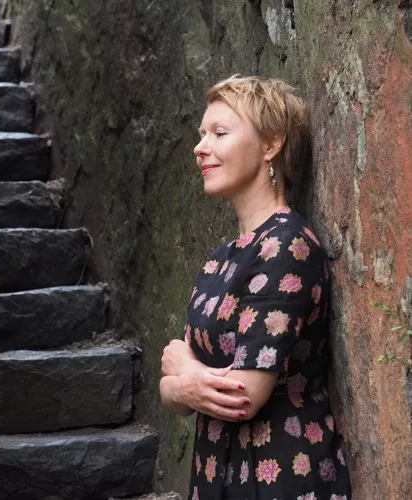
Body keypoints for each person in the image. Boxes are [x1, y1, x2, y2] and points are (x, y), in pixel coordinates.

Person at [159, 76, 352, 500]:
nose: (200, 147)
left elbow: (243, 395)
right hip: (220, 474)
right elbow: (174, 394)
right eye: (202, 134)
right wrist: (177, 385)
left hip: (280, 475)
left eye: (219, 133)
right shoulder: (221, 257)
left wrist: (182, 377)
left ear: (271, 144)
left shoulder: (287, 245)